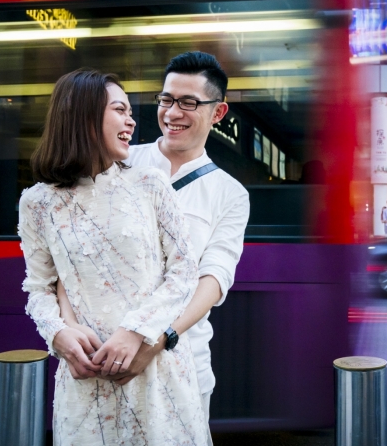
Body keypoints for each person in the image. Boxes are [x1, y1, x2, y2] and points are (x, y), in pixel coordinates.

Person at [56, 52, 250, 442]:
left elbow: (213, 278)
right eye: (166, 100)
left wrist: (157, 338)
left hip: (182, 360)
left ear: (218, 112)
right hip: (99, 356)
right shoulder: (120, 160)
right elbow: (72, 253)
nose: (172, 112)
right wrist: (66, 330)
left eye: (188, 103)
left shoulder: (229, 193)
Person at [19, 69, 207, 443]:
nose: (131, 120)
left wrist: (135, 332)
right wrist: (58, 334)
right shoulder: (37, 202)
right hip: (84, 376)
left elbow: (184, 272)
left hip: (155, 371)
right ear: (85, 117)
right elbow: (39, 288)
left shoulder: (150, 184)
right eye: (120, 110)